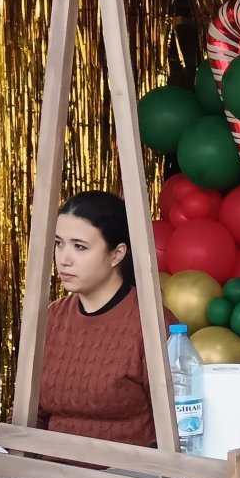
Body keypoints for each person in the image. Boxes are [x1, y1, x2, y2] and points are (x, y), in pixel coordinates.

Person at [36, 190, 168, 444]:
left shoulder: (151, 323)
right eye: (58, 243)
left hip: (128, 477)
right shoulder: (52, 317)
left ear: (117, 254)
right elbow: (31, 415)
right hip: (46, 475)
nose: (64, 259)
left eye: (80, 247)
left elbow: (175, 429)